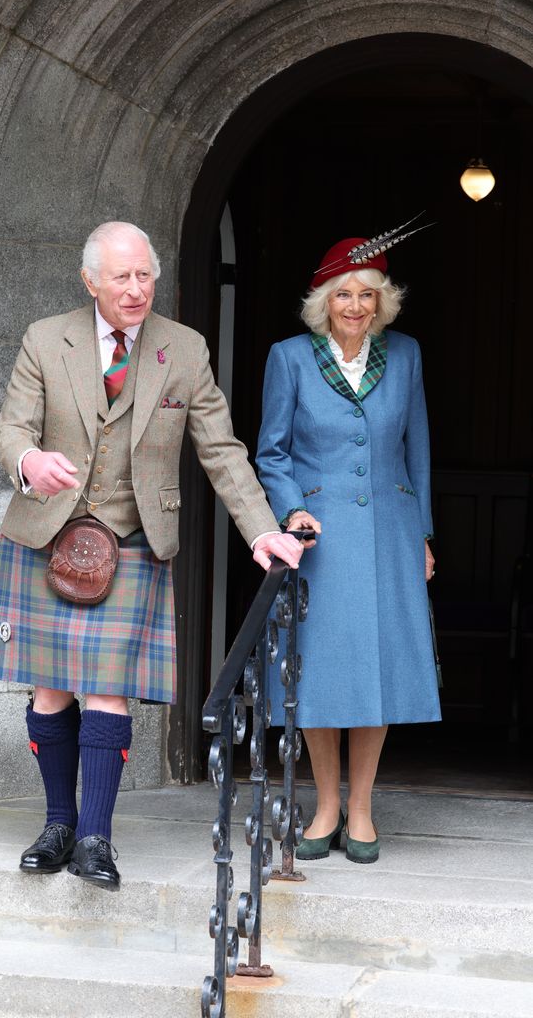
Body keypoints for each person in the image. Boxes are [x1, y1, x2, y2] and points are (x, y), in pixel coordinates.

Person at [0, 221, 303, 891]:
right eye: (121, 277)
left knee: (108, 690)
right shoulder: (46, 338)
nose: (135, 288)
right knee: (51, 686)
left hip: (133, 540)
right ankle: (58, 823)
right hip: (46, 536)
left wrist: (261, 529)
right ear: (90, 280)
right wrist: (30, 460)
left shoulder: (183, 348)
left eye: (145, 275)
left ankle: (96, 837)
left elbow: (220, 448)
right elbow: (11, 427)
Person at [256, 233, 441, 864]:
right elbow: (271, 452)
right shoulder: (289, 358)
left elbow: (417, 450)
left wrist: (423, 536)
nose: (355, 306)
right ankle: (326, 805)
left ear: (383, 301)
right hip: (321, 541)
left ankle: (361, 807)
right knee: (321, 671)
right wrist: (291, 509)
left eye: (367, 294)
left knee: (378, 669)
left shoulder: (407, 355)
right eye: (344, 294)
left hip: (390, 533)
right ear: (324, 301)